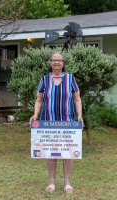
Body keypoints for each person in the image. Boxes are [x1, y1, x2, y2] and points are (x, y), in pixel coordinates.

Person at [30, 52, 83, 193]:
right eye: (54, 60)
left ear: (63, 63)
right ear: (50, 63)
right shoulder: (45, 79)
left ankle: (67, 183)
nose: (57, 63)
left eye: (59, 60)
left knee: (68, 153)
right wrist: (35, 115)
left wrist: (79, 115)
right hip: (49, 123)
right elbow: (39, 100)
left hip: (68, 122)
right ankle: (52, 183)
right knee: (52, 152)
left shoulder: (71, 79)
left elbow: (77, 99)